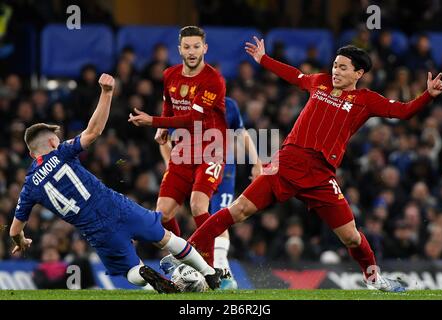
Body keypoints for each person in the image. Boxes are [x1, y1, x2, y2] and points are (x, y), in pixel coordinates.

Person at [184, 37, 442, 292]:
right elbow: (294, 75)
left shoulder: (366, 100)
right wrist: (263, 59)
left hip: (320, 176)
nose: (335, 71)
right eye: (334, 65)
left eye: (343, 67)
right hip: (286, 163)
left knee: (351, 237)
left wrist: (428, 95)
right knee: (238, 210)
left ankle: (374, 279)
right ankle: (182, 254)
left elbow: (404, 111)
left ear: (359, 73)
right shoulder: (319, 82)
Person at [9, 73, 227, 293]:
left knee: (130, 271)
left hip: (96, 229)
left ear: (30, 152)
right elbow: (93, 132)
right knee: (166, 239)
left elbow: (14, 229)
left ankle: (144, 272)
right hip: (117, 206)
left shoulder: (29, 187)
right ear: (51, 142)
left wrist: (21, 241)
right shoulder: (62, 152)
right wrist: (106, 93)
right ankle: (209, 273)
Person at [128, 26, 228, 263]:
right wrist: (163, 126)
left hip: (211, 149)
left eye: (196, 46)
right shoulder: (169, 75)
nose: (191, 52)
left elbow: (194, 118)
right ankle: (186, 260)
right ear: (179, 50)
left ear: (205, 48)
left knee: (197, 205)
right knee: (162, 215)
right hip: (182, 151)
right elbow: (169, 103)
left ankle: (210, 268)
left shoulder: (213, 79)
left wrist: (153, 121)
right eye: (187, 47)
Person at [159, 97, 262, 289]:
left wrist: (256, 162)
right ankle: (182, 254)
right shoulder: (178, 106)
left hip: (223, 167)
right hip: (189, 166)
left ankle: (223, 272)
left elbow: (242, 134)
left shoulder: (228, 104)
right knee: (167, 213)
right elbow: (164, 139)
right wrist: (169, 166)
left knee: (217, 216)